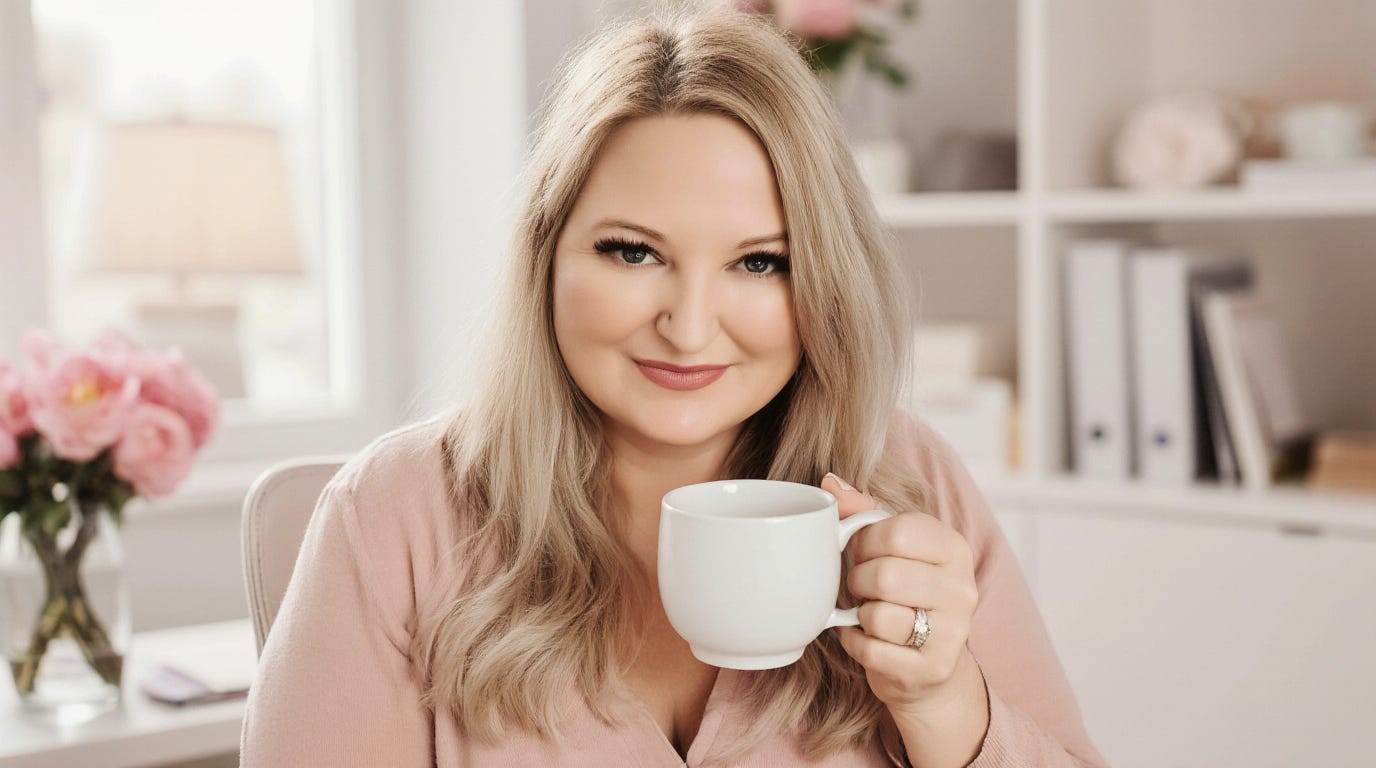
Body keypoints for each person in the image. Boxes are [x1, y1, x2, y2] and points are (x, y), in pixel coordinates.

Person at [240, 5, 1107, 767]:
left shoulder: (910, 484)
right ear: (546, 257)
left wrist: (945, 704)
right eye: (633, 251)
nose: (690, 326)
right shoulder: (396, 518)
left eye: (760, 263)